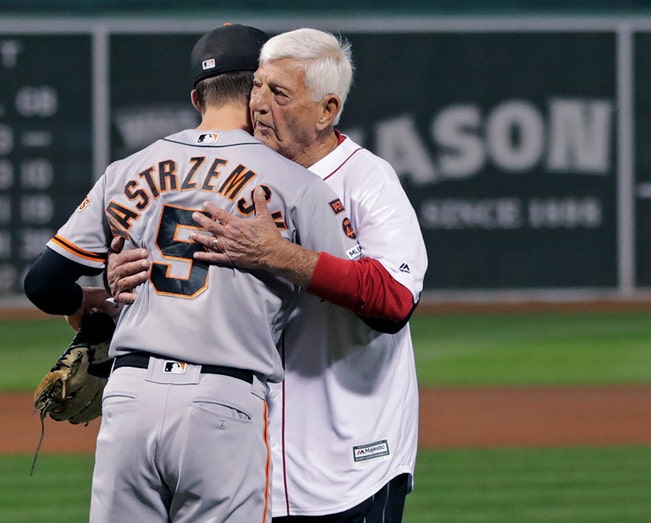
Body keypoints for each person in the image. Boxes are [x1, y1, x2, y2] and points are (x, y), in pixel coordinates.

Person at [23, 24, 362, 523]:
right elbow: (353, 294)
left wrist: (91, 304)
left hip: (130, 396)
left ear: (195, 97)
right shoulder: (296, 183)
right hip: (223, 404)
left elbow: (43, 284)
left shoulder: (127, 169)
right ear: (258, 91)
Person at [108, 28, 428, 522]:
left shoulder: (366, 180)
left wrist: (280, 255)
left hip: (350, 459)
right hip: (249, 457)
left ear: (327, 111)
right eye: (257, 86)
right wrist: (119, 280)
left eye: (279, 93)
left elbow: (394, 301)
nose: (258, 103)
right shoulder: (232, 175)